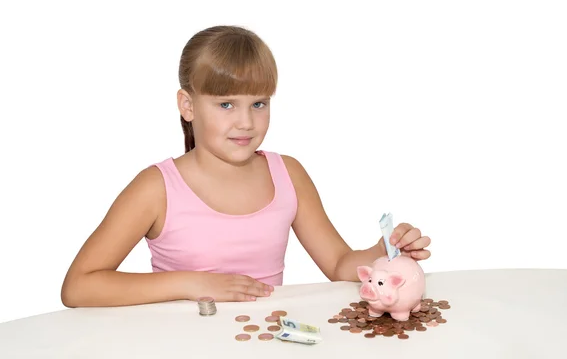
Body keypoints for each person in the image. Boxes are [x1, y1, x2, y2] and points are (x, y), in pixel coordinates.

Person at [60, 25, 432, 308]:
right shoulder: (156, 188)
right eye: (226, 105)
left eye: (259, 104)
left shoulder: (288, 174)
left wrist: (385, 251)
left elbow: (337, 264)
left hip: (267, 341)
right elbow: (78, 286)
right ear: (187, 106)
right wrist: (194, 284)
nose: (246, 122)